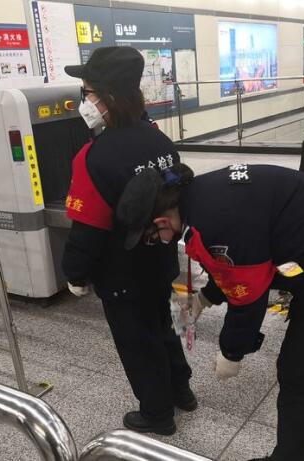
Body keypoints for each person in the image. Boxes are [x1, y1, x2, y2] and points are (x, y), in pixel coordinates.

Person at [116, 163, 304, 461]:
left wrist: (231, 352)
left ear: (161, 221)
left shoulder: (214, 219)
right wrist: (203, 298)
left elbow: (248, 297)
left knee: (297, 375)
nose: (159, 241)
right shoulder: (200, 197)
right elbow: (238, 262)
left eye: (153, 236)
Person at [60, 46, 194, 436]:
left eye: (87, 92)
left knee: (137, 341)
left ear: (107, 96)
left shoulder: (94, 156)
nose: (84, 101)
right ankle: (182, 391)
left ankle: (157, 413)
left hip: (121, 274)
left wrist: (75, 274)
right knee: (162, 325)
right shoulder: (159, 140)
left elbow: (88, 228)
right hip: (160, 261)